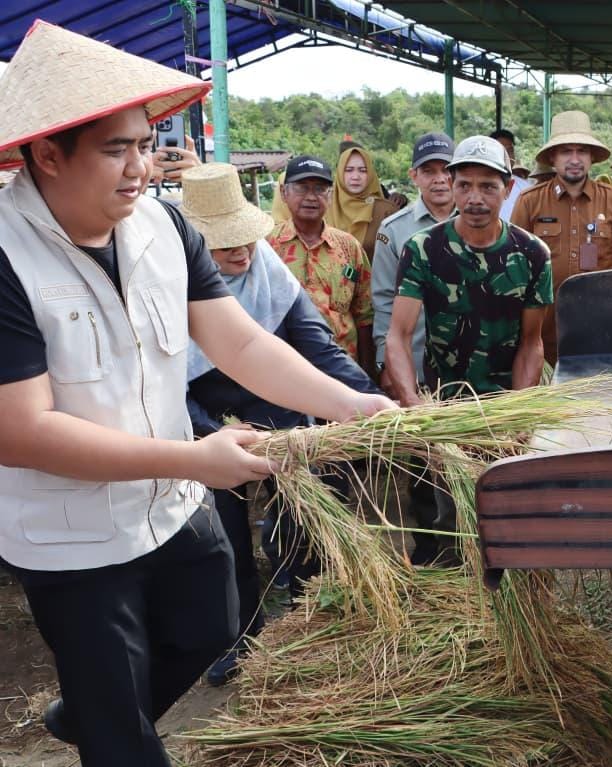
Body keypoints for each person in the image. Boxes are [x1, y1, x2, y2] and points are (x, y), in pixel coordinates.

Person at [0, 22, 394, 765]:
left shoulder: (163, 227)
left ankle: (92, 706)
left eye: (146, 144)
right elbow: (20, 429)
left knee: (216, 626)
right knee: (124, 736)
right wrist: (192, 459)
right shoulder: (4, 255)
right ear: (48, 154)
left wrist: (352, 403)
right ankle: (107, 716)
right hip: (73, 536)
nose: (142, 167)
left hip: (172, 503)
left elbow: (240, 342)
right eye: (118, 149)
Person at [179, 163, 381, 684]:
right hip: (210, 429)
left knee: (304, 526)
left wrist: (370, 403)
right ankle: (239, 636)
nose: (240, 253)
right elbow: (164, 385)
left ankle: (309, 621)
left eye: (245, 239)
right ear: (192, 244)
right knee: (224, 542)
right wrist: (211, 433)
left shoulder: (269, 272)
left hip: (284, 419)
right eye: (222, 244)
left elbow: (319, 348)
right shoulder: (168, 289)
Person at [385, 136, 552, 562]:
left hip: (502, 401)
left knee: (505, 511)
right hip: (444, 403)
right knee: (447, 514)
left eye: (488, 187)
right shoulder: (424, 249)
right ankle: (451, 587)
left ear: (508, 187)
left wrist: (517, 413)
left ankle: (508, 588)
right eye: (465, 186)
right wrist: (414, 405)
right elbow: (398, 336)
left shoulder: (531, 254)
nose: (475, 198)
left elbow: (532, 344)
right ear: (452, 184)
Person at [371, 132, 455, 565]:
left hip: (466, 363)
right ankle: (428, 551)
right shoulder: (396, 231)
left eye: (446, 170)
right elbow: (384, 300)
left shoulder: (479, 219)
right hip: (416, 362)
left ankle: (473, 547)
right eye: (429, 171)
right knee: (421, 461)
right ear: (414, 176)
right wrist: (388, 363)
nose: (439, 180)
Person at [510, 110, 612, 363]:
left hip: (602, 329)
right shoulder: (529, 203)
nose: (574, 159)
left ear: (591, 156)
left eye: (581, 150)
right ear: (552, 157)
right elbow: (513, 266)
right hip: (541, 334)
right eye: (565, 151)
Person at [268, 155, 376, 377]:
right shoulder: (267, 247)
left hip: (343, 370)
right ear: (284, 193)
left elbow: (364, 315)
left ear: (330, 194)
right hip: (284, 371)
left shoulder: (349, 247)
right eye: (301, 188)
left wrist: (367, 374)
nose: (311, 197)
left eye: (319, 189)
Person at [326, 145, 398, 261]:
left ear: (370, 174)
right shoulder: (324, 206)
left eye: (363, 170)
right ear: (339, 172)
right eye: (348, 170)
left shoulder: (386, 211)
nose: (355, 177)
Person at [491, 129, 532, 223]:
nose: (506, 156)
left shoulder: (527, 189)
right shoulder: (478, 187)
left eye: (510, 151)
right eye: (500, 151)